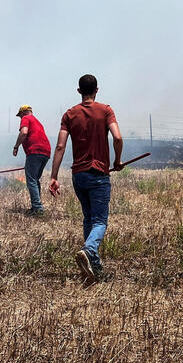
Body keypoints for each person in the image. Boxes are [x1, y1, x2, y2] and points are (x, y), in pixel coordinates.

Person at [48, 74, 124, 283]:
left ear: (79, 91)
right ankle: (89, 250)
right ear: (97, 90)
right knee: (100, 221)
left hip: (78, 175)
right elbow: (117, 137)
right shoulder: (106, 110)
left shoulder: (69, 114)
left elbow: (61, 146)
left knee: (88, 218)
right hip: (98, 172)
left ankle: (95, 266)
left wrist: (53, 176)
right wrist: (117, 161)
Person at [12, 104, 51, 217]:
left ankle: (38, 209)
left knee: (32, 180)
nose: (20, 118)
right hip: (46, 152)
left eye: (20, 115)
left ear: (23, 113)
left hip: (35, 151)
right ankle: (36, 206)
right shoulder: (38, 122)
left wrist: (16, 146)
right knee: (35, 180)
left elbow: (24, 132)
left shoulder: (26, 118)